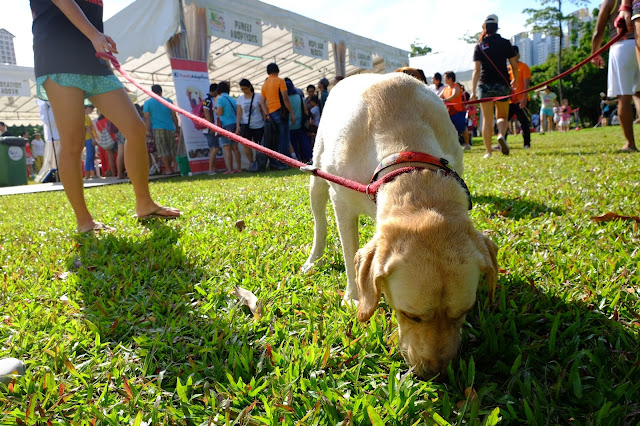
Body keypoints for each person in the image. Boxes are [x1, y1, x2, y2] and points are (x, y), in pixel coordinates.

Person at [30, 0, 180, 232]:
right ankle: (84, 221)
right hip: (58, 55)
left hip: (95, 60)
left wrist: (96, 39)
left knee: (135, 128)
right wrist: (94, 34)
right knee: (73, 143)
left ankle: (144, 204)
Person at [592, 0, 639, 152]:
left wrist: (595, 52)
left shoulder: (609, 2)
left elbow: (598, 32)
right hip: (637, 41)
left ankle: (630, 143)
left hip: (621, 47)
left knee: (624, 97)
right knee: (638, 94)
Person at [470, 14, 517, 158]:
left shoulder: (479, 46)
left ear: (485, 27)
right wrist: (515, 79)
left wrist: (473, 91)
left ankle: (488, 152)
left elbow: (476, 70)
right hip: (502, 84)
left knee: (487, 119)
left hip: (484, 85)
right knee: (502, 116)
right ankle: (501, 135)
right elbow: (514, 65)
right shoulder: (505, 43)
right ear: (497, 27)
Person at [260, 62, 295, 170]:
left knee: (274, 139)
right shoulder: (280, 81)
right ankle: (284, 163)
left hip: (271, 114)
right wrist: (292, 113)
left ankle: (275, 163)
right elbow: (285, 98)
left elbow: (262, 102)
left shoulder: (265, 85)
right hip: (281, 112)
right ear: (278, 71)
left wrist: (267, 114)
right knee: (284, 138)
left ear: (268, 72)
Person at [143, 84, 180, 174]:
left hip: (158, 129)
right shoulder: (168, 101)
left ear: (152, 92)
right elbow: (174, 115)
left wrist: (147, 131)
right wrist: (177, 127)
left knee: (162, 150)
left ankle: (168, 170)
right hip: (170, 128)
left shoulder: (148, 103)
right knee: (173, 149)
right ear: (161, 91)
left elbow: (147, 118)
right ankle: (176, 168)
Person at [506, 46, 532, 149]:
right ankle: (502, 142)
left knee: (524, 122)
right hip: (510, 101)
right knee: (504, 121)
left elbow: (526, 84)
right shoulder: (507, 68)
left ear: (518, 55)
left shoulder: (524, 67)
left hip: (521, 100)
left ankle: (527, 143)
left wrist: (524, 98)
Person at [235, 78, 265, 168]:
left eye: (245, 88)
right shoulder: (240, 99)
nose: (244, 91)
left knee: (259, 146)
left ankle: (260, 164)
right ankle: (251, 163)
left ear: (249, 87)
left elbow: (262, 110)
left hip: (258, 124)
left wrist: (265, 120)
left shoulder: (258, 97)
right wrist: (237, 126)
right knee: (246, 146)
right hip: (245, 125)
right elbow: (239, 113)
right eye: (242, 89)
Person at [441, 71, 471, 150]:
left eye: (445, 78)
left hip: (458, 111)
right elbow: (439, 96)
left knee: (462, 128)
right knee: (450, 129)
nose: (444, 79)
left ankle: (467, 144)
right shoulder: (445, 89)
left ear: (450, 78)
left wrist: (445, 100)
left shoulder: (456, 86)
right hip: (449, 112)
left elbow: (454, 95)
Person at [216, 81, 241, 174]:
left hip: (225, 124)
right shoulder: (232, 99)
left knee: (227, 148)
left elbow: (220, 112)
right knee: (235, 148)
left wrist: (215, 110)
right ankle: (239, 168)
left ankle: (230, 169)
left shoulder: (220, 99)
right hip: (234, 123)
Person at [286, 79, 313, 163]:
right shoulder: (299, 97)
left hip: (289, 125)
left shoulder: (285, 100)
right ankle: (309, 157)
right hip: (300, 124)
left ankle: (297, 159)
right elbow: (305, 110)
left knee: (293, 143)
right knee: (304, 142)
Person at [202, 83, 221, 175]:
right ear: (215, 90)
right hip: (209, 128)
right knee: (215, 147)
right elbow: (206, 111)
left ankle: (213, 168)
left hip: (210, 127)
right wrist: (210, 126)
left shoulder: (211, 99)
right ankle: (210, 169)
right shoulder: (207, 100)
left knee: (212, 148)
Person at [83, 104, 98, 178]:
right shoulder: (85, 117)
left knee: (91, 156)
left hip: (88, 138)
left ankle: (92, 173)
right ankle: (88, 174)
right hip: (88, 138)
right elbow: (88, 128)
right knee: (89, 156)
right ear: (87, 108)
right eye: (91, 109)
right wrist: (93, 139)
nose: (92, 110)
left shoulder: (87, 116)